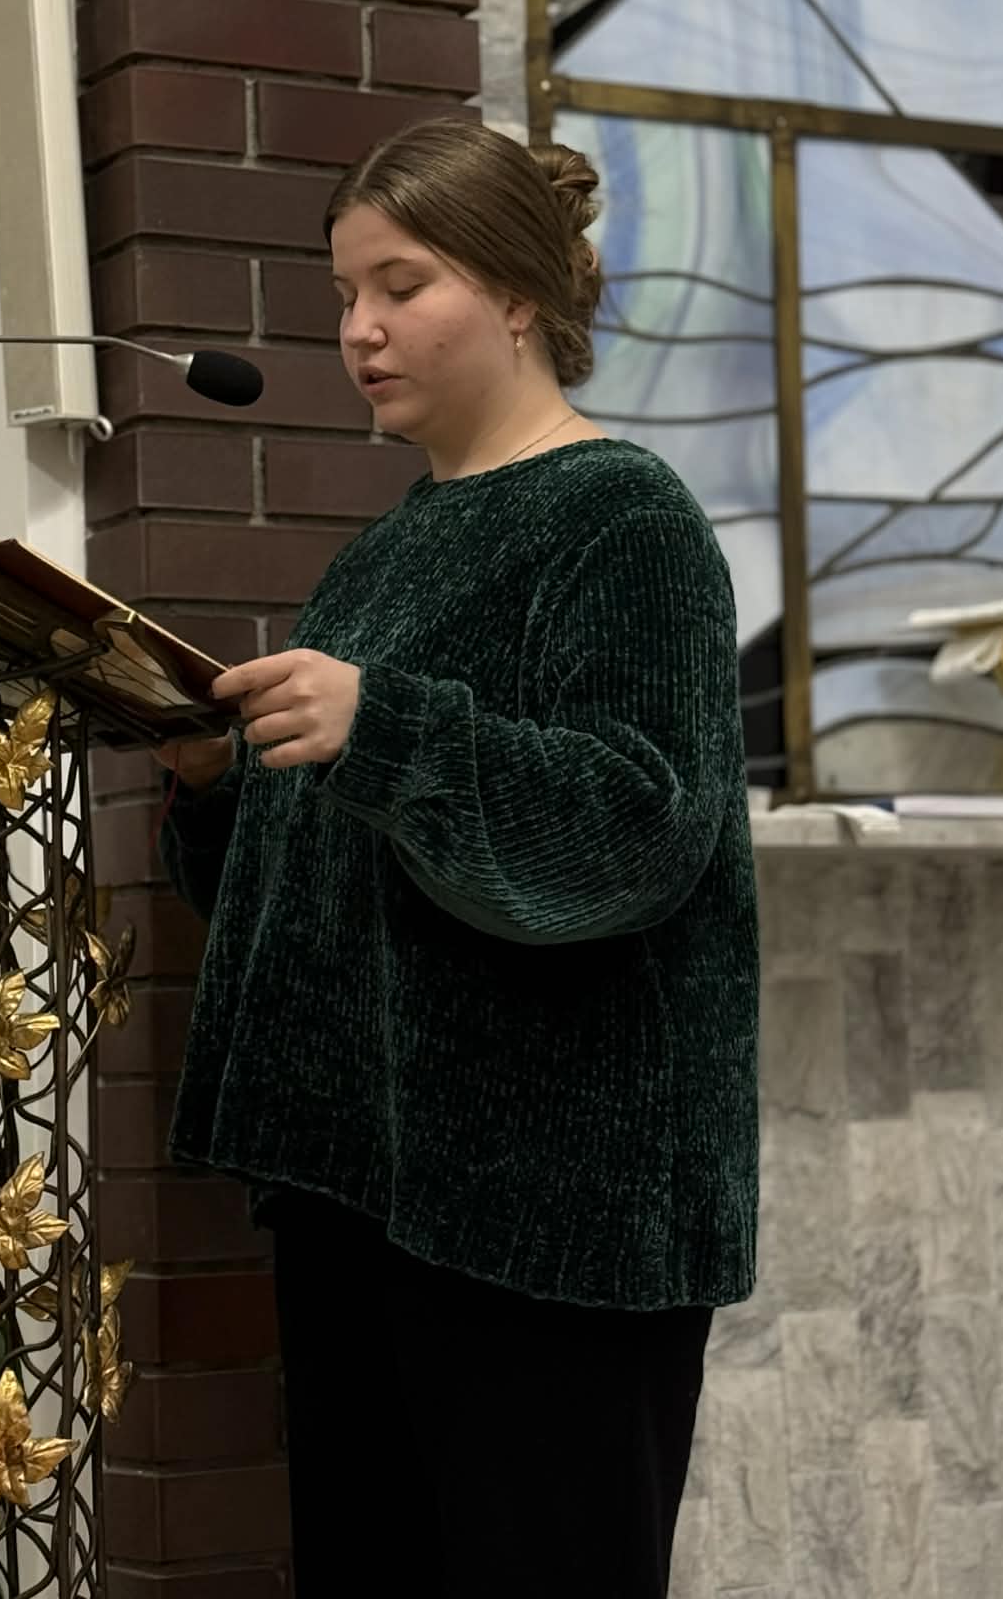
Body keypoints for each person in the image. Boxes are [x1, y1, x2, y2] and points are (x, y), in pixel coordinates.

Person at [152, 115, 759, 1598]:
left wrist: (384, 727)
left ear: (518, 295)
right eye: (343, 295)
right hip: (369, 1187)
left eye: (400, 284)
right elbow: (327, 885)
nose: (358, 330)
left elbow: (637, 828)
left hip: (550, 1214)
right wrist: (220, 785)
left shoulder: (623, 517)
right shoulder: (387, 552)